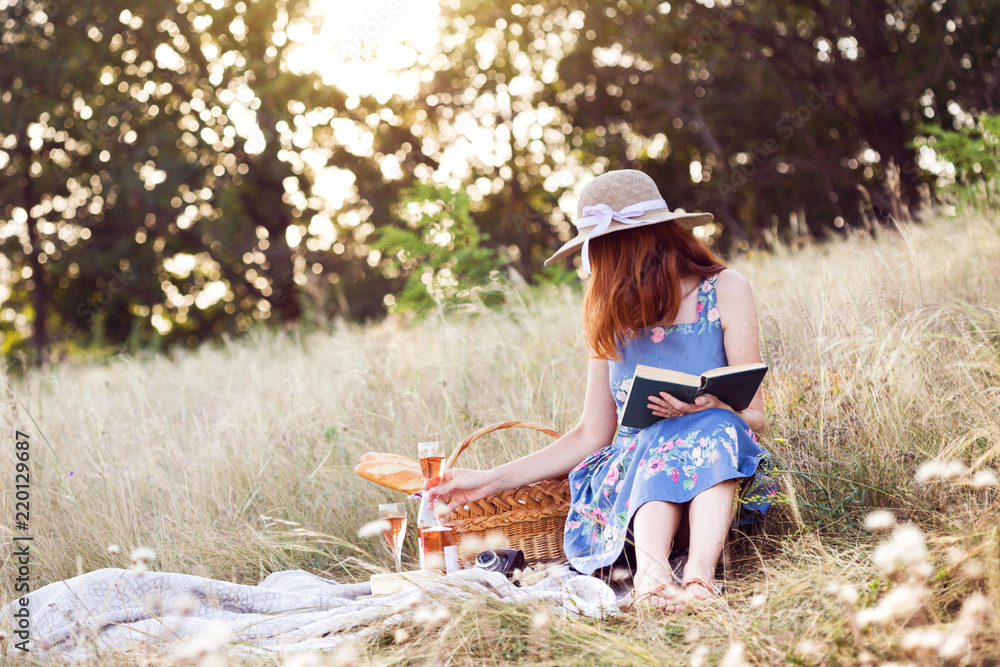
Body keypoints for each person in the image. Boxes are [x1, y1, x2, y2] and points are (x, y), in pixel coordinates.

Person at [427, 169, 775, 610]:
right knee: (658, 435)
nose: (597, 267)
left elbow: (755, 417)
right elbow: (593, 434)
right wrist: (487, 480)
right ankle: (652, 577)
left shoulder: (725, 289)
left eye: (602, 251)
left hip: (718, 481)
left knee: (711, 423)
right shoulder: (611, 313)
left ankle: (698, 579)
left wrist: (705, 405)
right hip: (629, 492)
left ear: (645, 241)